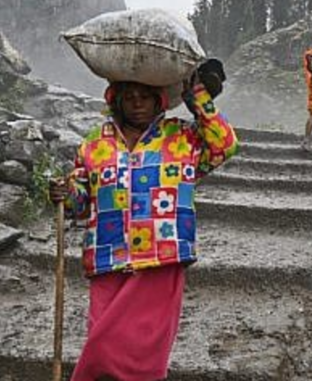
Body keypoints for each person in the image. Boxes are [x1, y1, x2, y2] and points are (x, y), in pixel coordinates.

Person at [49, 61, 238, 381]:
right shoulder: (95, 143)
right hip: (107, 255)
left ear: (158, 101)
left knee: (144, 357)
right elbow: (80, 202)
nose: (137, 103)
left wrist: (197, 97)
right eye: (129, 97)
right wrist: (65, 192)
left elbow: (225, 145)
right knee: (101, 347)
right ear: (116, 101)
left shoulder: (182, 137)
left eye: (145, 97)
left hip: (162, 255)